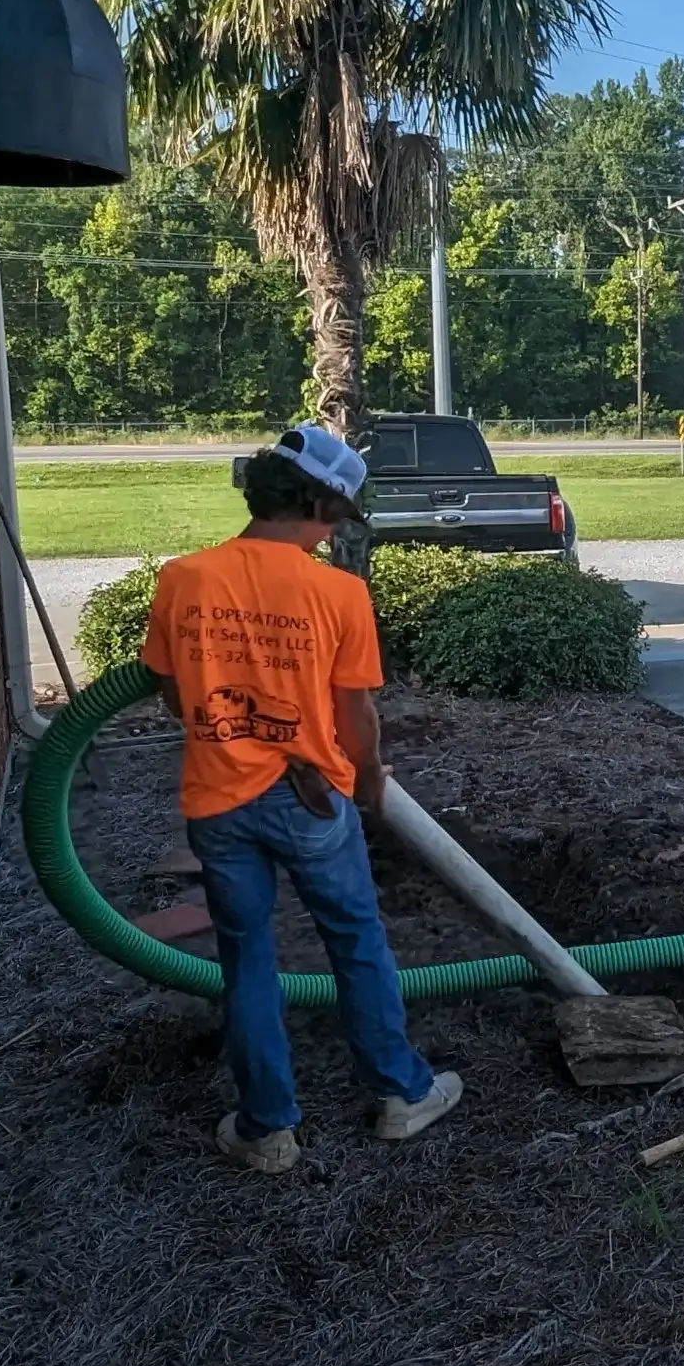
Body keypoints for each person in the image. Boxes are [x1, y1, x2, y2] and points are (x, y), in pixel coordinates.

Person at [140, 424, 461, 1173]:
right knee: (355, 942)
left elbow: (169, 691)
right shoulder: (338, 594)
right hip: (311, 798)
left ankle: (267, 1130)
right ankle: (400, 1093)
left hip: (217, 799)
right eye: (331, 520)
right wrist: (371, 776)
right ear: (317, 502)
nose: (328, 535)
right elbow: (356, 714)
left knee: (246, 960)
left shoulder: (185, 578)